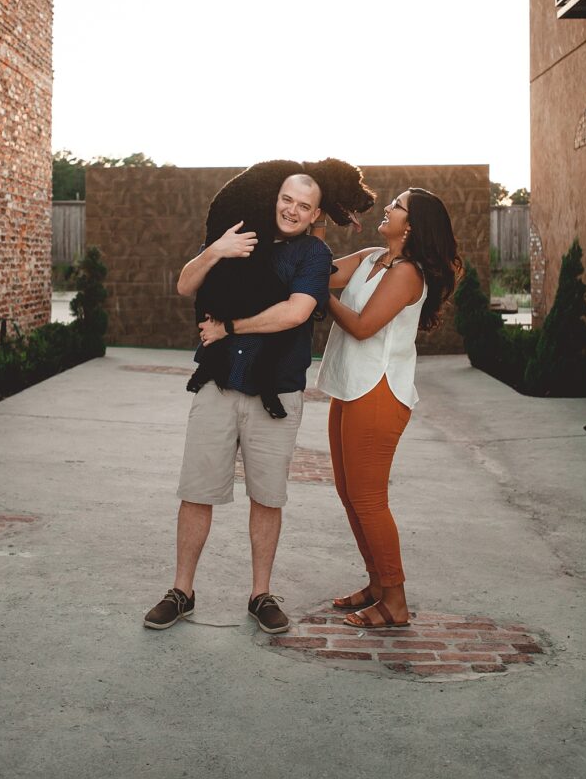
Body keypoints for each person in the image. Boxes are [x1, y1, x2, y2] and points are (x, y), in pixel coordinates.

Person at [144, 174, 332, 634]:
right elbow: (185, 286)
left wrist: (228, 328)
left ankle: (260, 594)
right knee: (197, 490)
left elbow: (297, 311)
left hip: (277, 392)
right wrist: (215, 251)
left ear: (315, 215)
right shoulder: (239, 234)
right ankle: (181, 591)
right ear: (276, 199)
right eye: (286, 199)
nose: (291, 210)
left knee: (267, 497)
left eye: (303, 206)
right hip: (218, 383)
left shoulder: (313, 254)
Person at [315, 187, 461, 629]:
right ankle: (377, 584)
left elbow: (361, 327)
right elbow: (317, 270)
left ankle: (394, 600)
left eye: (396, 206)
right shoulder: (371, 256)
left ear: (412, 225)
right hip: (350, 386)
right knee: (348, 493)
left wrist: (316, 300)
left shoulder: (408, 274)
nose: (388, 209)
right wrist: (319, 216)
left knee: (369, 499)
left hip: (379, 393)